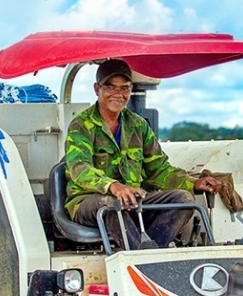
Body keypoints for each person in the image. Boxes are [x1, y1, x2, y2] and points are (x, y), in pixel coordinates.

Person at [64, 58, 221, 249]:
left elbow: (159, 170)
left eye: (125, 88)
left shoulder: (138, 125)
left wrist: (193, 183)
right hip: (88, 201)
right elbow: (79, 168)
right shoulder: (81, 125)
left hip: (133, 201)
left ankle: (151, 252)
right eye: (111, 87)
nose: (118, 94)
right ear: (97, 89)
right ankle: (141, 258)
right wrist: (114, 186)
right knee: (113, 204)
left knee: (183, 199)